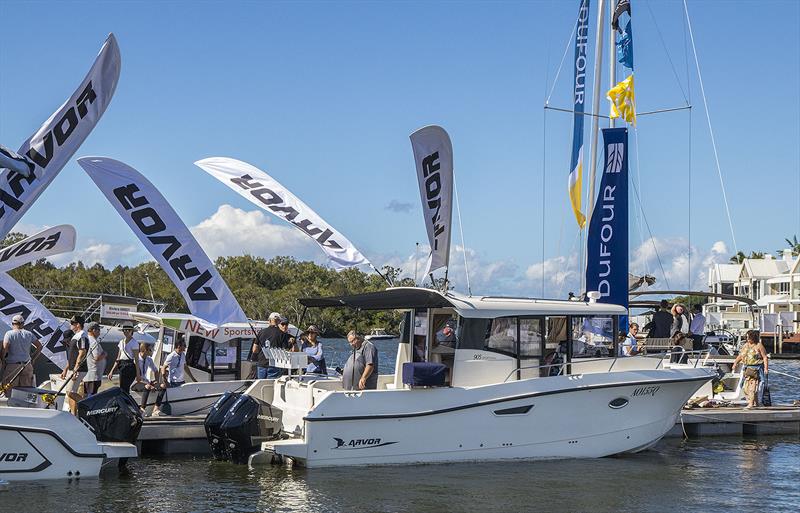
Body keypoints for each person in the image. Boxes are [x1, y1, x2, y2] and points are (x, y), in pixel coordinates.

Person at [1, 314, 43, 396]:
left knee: (9, 390)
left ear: (13, 324)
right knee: (26, 391)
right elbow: (39, 346)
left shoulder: (9, 334)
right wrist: (33, 358)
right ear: (23, 324)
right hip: (27, 365)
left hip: (12, 366)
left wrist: (3, 361)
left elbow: (4, 349)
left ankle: (11, 407)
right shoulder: (29, 334)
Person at [152, 338, 196, 416]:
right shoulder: (171, 356)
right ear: (179, 346)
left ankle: (181, 409)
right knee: (171, 394)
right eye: (184, 346)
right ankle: (156, 408)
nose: (185, 347)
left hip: (181, 380)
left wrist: (192, 378)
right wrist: (164, 379)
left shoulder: (183, 354)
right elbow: (163, 367)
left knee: (182, 395)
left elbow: (185, 367)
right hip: (173, 381)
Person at [733, 330, 769, 408]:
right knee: (746, 387)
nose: (747, 339)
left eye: (749, 337)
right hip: (747, 368)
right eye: (747, 337)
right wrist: (735, 363)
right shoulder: (746, 345)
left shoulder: (759, 345)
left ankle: (750, 403)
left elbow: (765, 357)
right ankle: (756, 403)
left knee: (752, 387)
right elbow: (740, 355)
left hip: (756, 369)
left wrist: (766, 368)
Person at [63, 315, 90, 414]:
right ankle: (74, 414)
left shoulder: (82, 336)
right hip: (73, 368)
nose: (70, 325)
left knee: (70, 392)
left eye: (72, 323)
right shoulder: (76, 335)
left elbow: (82, 352)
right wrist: (66, 368)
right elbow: (72, 355)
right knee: (71, 392)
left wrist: (75, 368)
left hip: (79, 369)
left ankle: (89, 406)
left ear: (78, 325)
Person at [106, 322, 140, 393]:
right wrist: (112, 371)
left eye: (128, 330)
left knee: (125, 388)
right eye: (124, 330)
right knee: (122, 387)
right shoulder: (121, 342)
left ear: (131, 331)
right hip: (122, 366)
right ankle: (125, 402)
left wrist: (138, 374)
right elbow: (118, 358)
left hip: (130, 366)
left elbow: (136, 359)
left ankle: (126, 402)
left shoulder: (134, 343)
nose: (126, 331)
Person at [253, 312, 284, 379]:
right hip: (275, 364)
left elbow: (255, 349)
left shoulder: (261, 332)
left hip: (261, 364)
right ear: (279, 321)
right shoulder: (281, 334)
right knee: (270, 386)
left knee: (261, 386)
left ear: (269, 320)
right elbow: (286, 350)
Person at [133, 343, 160, 415]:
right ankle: (142, 410)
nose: (151, 351)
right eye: (150, 350)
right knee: (147, 386)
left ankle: (156, 408)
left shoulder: (149, 359)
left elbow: (156, 371)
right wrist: (149, 384)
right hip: (136, 383)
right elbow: (137, 378)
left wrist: (156, 381)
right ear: (145, 350)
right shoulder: (136, 360)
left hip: (145, 382)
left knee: (162, 386)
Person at [82, 322, 107, 397]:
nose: (99, 332)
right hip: (93, 375)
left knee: (87, 394)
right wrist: (104, 354)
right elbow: (96, 357)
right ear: (93, 330)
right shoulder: (93, 342)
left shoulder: (86, 339)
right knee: (92, 396)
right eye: (98, 330)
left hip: (88, 375)